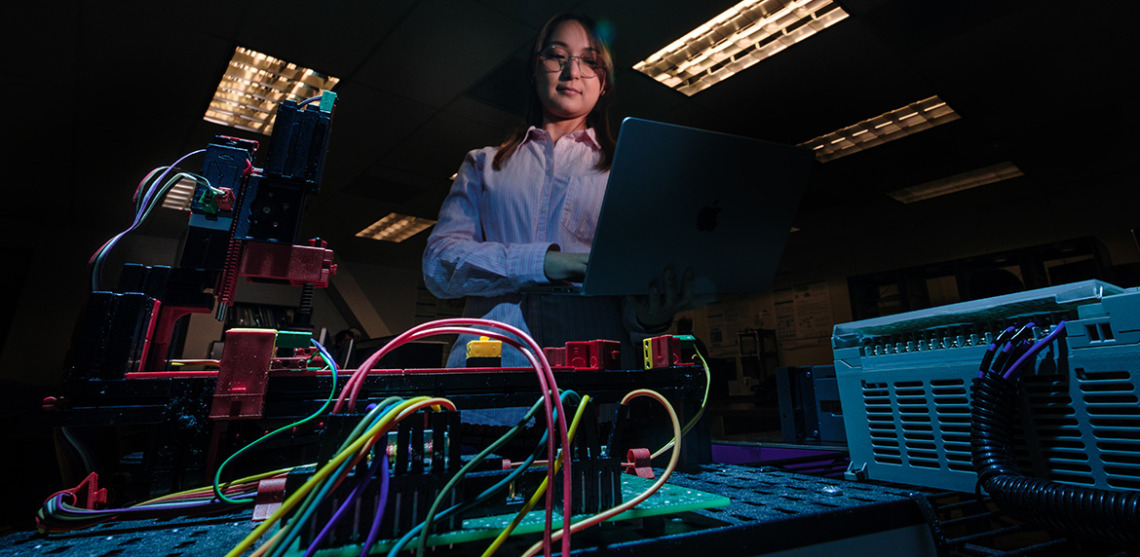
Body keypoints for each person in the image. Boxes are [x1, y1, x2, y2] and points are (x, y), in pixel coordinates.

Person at [423, 13, 696, 370]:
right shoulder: (483, 165)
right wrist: (546, 262)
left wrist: (650, 317)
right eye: (557, 56)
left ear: (604, 84)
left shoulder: (625, 174)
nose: (572, 72)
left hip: (593, 390)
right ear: (535, 69)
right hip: (490, 390)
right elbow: (439, 264)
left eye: (590, 61)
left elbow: (630, 308)